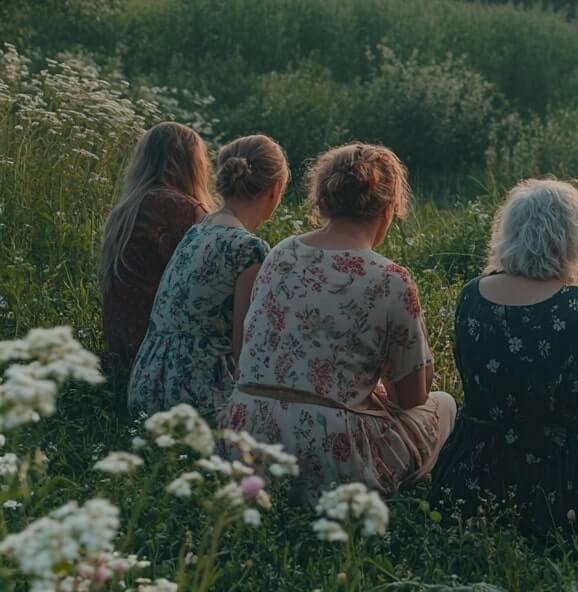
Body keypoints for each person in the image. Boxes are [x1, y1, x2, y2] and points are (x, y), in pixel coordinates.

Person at [430, 178, 578, 535]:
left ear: (508, 233)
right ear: (576, 240)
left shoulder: (471, 297)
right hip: (567, 477)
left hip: (476, 475)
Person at [224, 143, 455, 503]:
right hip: (327, 455)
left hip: (243, 439)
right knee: (443, 405)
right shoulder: (390, 279)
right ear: (388, 209)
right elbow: (411, 397)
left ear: (323, 200)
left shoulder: (280, 253)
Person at [128, 135, 288, 423]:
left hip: (147, 386)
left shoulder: (196, 230)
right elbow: (245, 352)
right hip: (197, 398)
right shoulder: (249, 249)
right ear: (275, 190)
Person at [99, 122, 213, 370]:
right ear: (190, 164)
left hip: (121, 346)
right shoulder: (179, 208)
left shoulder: (128, 208)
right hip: (156, 353)